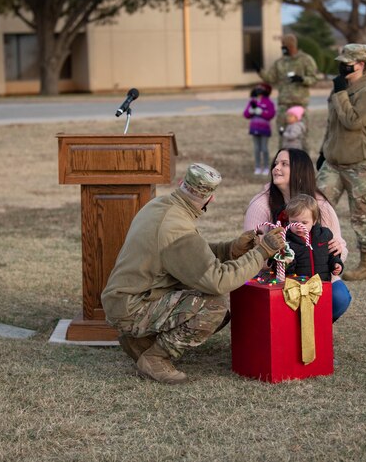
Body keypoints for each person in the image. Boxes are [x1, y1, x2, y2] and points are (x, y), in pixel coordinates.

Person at [102, 163, 286, 384]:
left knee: (196, 292)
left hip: (125, 300)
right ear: (210, 199)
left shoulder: (160, 205)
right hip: (133, 307)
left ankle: (139, 341)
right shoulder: (176, 227)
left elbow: (188, 256)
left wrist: (231, 249)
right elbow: (218, 281)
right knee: (213, 307)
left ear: (182, 184)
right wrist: (262, 252)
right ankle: (156, 357)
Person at [243, 148, 351, 322]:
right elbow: (248, 252)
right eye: (276, 163)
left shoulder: (320, 204)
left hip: (317, 275)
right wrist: (275, 259)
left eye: (284, 164)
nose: (276, 168)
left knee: (339, 297)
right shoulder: (261, 204)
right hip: (276, 276)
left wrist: (337, 252)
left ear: (300, 172)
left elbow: (339, 246)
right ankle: (285, 333)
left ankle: (315, 330)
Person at [316, 43, 366, 281]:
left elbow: (352, 121)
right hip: (334, 162)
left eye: (348, 63)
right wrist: (323, 151)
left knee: (361, 216)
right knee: (315, 208)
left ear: (363, 65)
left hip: (361, 165)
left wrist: (340, 94)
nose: (342, 67)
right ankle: (314, 256)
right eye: (341, 62)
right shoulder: (340, 89)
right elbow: (332, 124)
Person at [257, 33, 318, 149]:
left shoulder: (306, 60)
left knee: (301, 135)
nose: (282, 47)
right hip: (284, 105)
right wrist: (260, 71)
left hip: (300, 105)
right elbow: (270, 78)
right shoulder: (280, 62)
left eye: (284, 45)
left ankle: (303, 163)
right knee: (283, 134)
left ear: (291, 45)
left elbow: (314, 79)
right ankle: (284, 161)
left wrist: (302, 79)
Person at [280, 194, 344, 281]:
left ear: (314, 221)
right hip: (298, 286)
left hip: (322, 282)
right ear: (288, 219)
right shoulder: (286, 240)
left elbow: (332, 254)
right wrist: (287, 261)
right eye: (294, 222)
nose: (299, 226)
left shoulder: (324, 235)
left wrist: (336, 264)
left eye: (304, 222)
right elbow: (285, 270)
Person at [243, 83, 276, 175]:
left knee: (264, 149)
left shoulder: (269, 102)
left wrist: (262, 112)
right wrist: (250, 111)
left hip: (264, 129)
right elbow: (245, 114)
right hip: (254, 129)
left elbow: (271, 114)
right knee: (256, 149)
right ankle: (257, 167)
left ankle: (266, 167)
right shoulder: (252, 101)